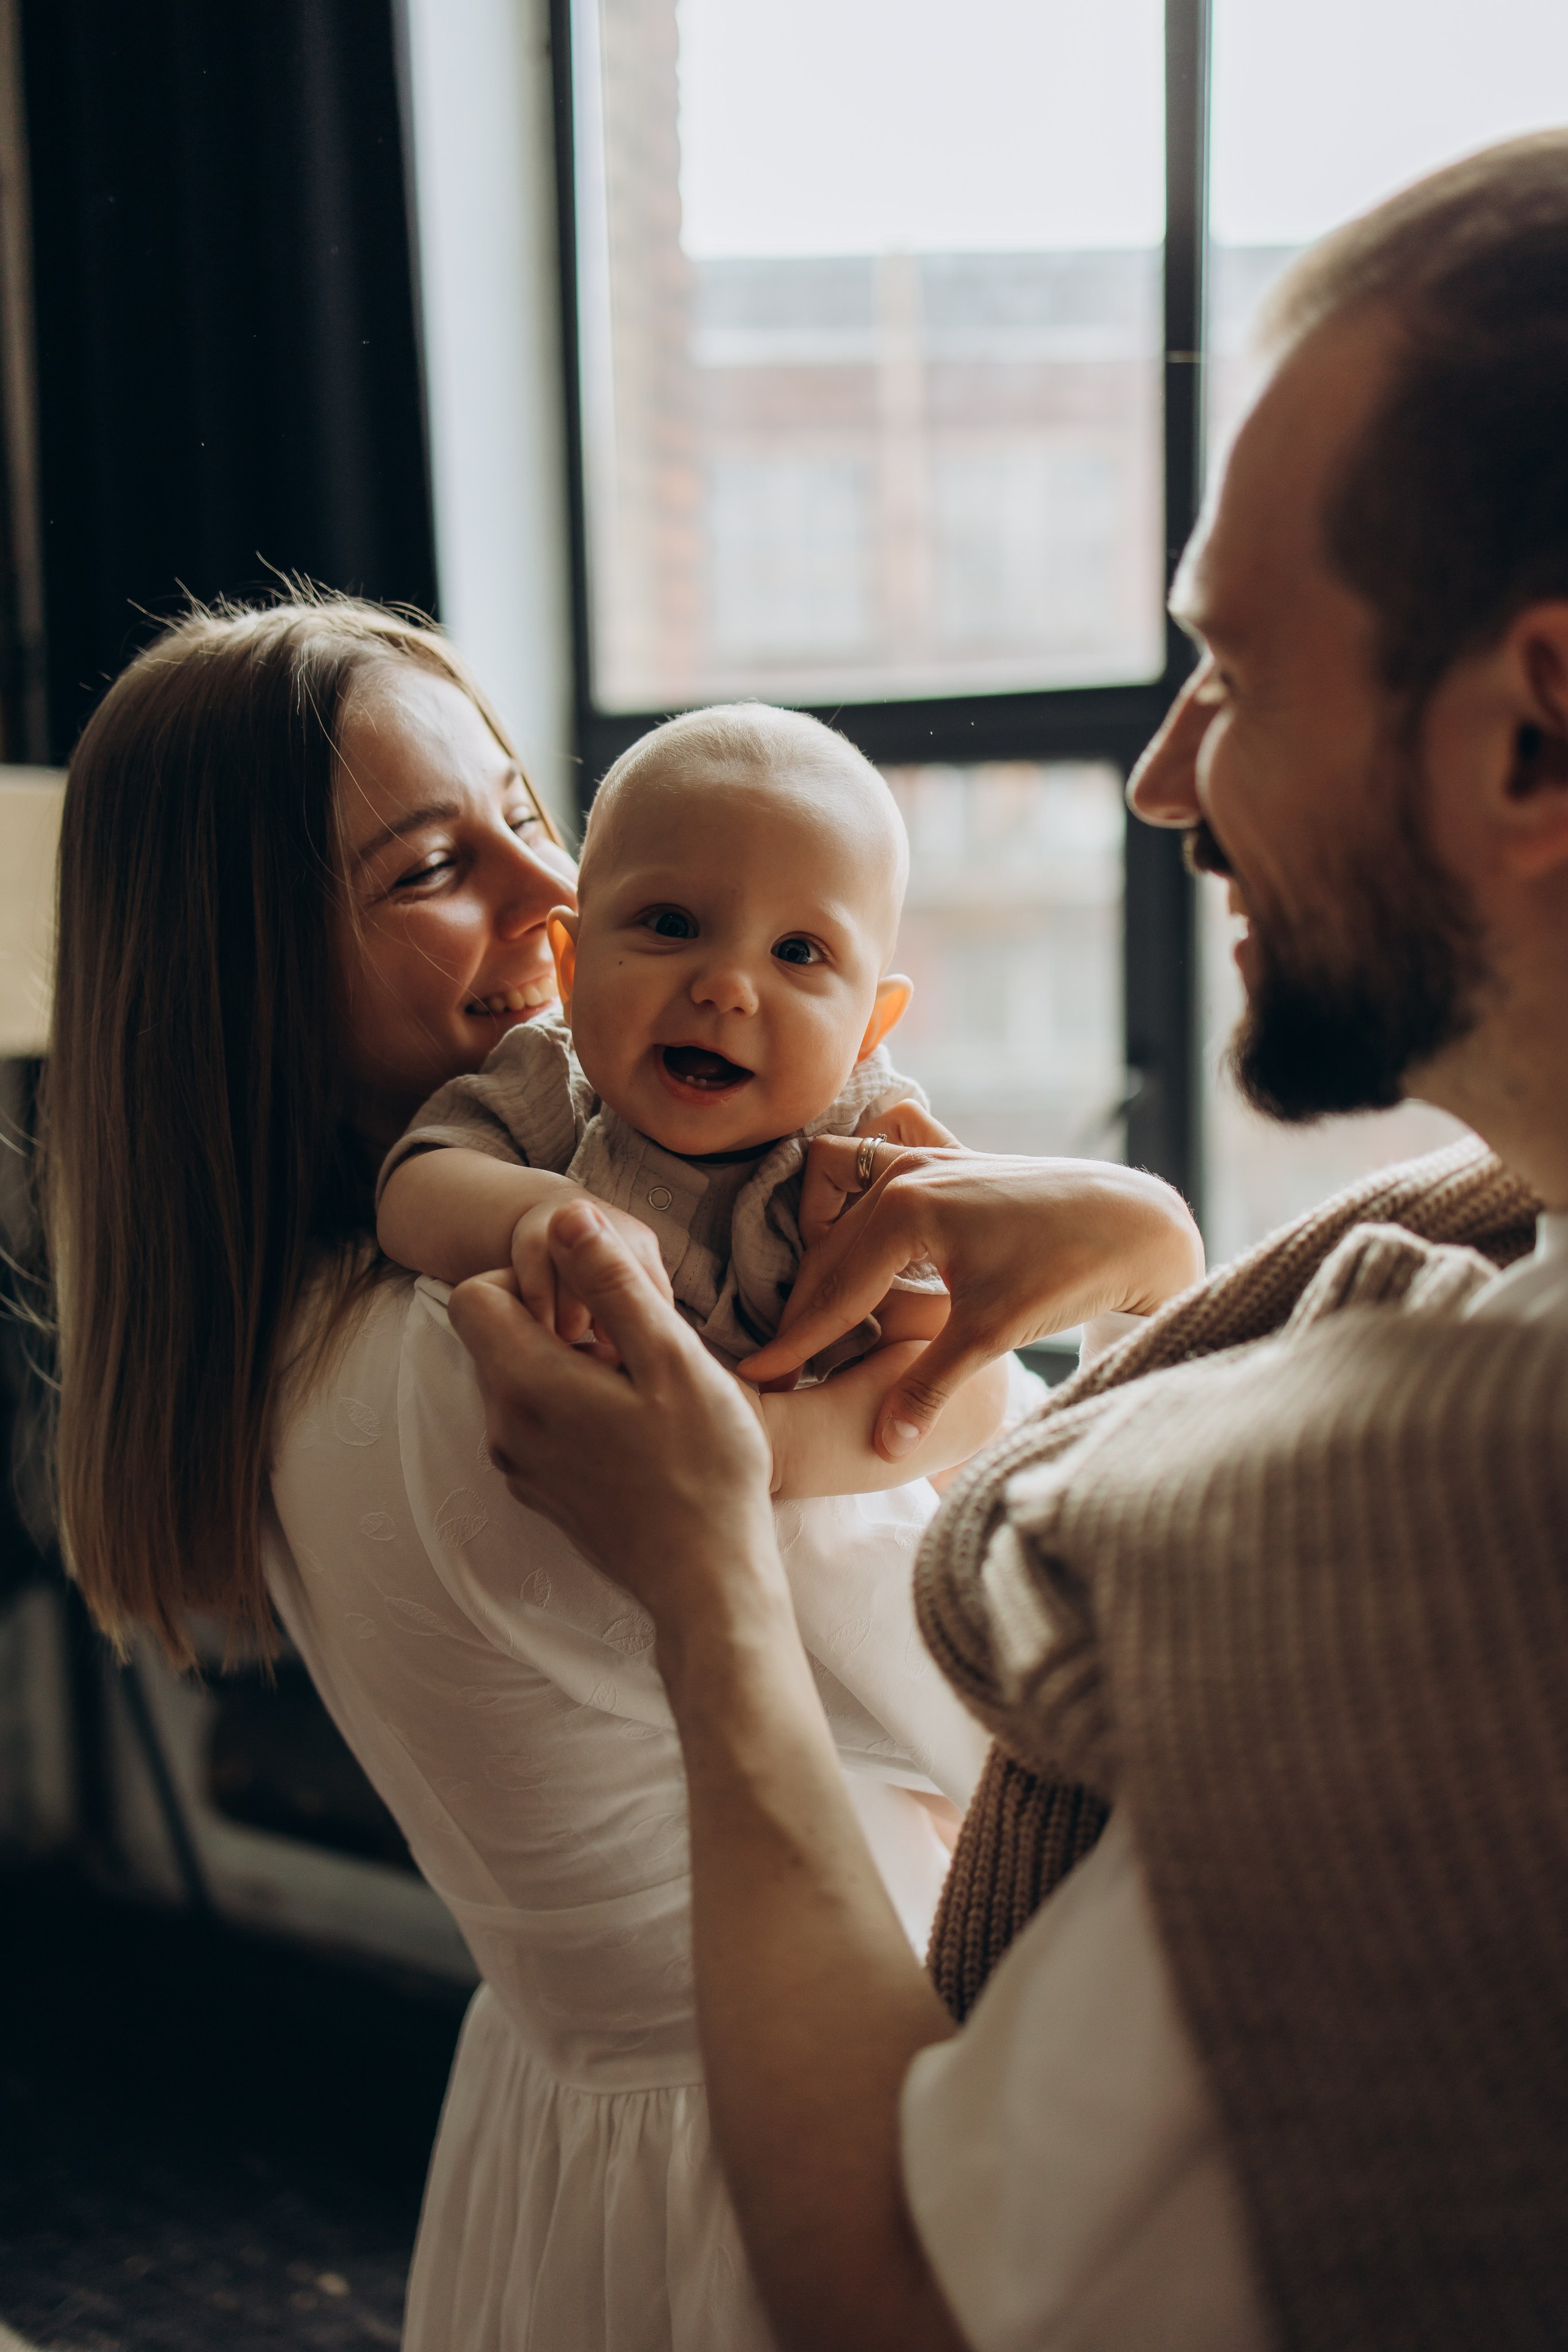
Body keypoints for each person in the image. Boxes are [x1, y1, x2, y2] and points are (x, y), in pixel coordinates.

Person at [448, 131, 1568, 2352]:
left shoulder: (1455, 1559)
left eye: (1235, 670)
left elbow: (903, 2298)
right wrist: (1159, 1256)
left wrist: (703, 1592)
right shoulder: (1450, 1290)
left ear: (1539, 725)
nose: (1165, 780)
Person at [40, 590, 1201, 2350]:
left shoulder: (315, 1328)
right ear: (246, 964)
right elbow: (1051, 1643)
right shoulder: (488, 1361)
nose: (551, 898)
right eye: (435, 868)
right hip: (807, 2119)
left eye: (526, 813)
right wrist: (1141, 1247)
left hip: (601, 2112)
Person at [375, 700, 1011, 1497]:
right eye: (672, 923)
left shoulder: (869, 1138)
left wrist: (767, 1444)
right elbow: (415, 1185)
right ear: (570, 969)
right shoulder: (552, 1079)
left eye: (798, 952)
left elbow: (966, 1377)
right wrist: (537, 1215)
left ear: (866, 1031)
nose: (726, 988)